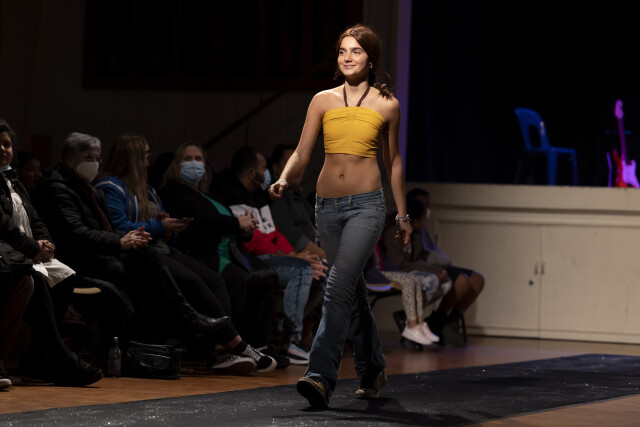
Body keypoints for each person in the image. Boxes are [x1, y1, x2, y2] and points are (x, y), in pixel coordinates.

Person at [269, 24, 411, 407]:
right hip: (327, 208)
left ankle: (319, 376)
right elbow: (302, 152)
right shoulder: (322, 100)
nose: (348, 57)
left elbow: (394, 162)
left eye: (356, 51)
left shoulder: (387, 104)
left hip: (367, 206)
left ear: (371, 59)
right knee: (351, 290)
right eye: (343, 51)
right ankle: (373, 367)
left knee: (336, 287)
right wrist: (283, 178)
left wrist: (402, 215)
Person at [95, 134, 276, 373]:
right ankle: (236, 345)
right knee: (197, 281)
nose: (149, 159)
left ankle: (224, 346)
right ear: (132, 157)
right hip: (137, 254)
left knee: (215, 280)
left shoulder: (148, 190)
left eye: (198, 159)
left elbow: (166, 231)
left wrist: (168, 229)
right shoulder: (111, 187)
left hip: (161, 247)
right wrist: (160, 226)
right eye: (145, 155)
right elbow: (119, 228)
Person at [159, 142, 288, 368]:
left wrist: (245, 229)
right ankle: (220, 346)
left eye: (198, 159)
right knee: (237, 279)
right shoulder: (174, 190)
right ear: (177, 165)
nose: (193, 163)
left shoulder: (209, 194)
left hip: (231, 253)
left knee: (264, 282)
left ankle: (259, 345)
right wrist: (236, 223)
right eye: (187, 159)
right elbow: (200, 218)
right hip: (201, 254)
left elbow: (228, 222)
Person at [0, 118, 103, 386]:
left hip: (25, 253)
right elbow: (4, 227)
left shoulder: (13, 180)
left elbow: (34, 218)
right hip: (7, 256)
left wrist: (44, 241)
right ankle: (60, 357)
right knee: (35, 281)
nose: (3, 149)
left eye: (7, 144)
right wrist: (34, 248)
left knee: (64, 276)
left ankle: (38, 358)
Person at [215, 146, 326, 365]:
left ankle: (283, 332)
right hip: (251, 258)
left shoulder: (258, 197)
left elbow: (273, 233)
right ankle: (290, 340)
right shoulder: (232, 196)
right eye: (263, 167)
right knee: (302, 270)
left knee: (322, 273)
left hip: (272, 256)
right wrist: (293, 259)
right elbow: (253, 242)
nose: (266, 173)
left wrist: (293, 254)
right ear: (251, 172)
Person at [405, 188, 485, 346]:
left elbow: (433, 251)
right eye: (422, 205)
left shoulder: (423, 228)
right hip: (426, 267)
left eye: (428, 205)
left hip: (437, 265)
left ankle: (451, 320)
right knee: (462, 281)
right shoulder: (411, 228)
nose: (426, 209)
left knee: (477, 279)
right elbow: (414, 258)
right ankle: (438, 320)